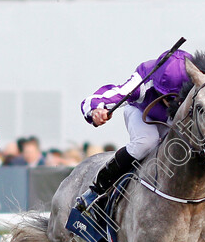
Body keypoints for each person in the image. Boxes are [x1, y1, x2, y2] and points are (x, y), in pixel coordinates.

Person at [75, 49, 194, 210]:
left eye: (179, 98)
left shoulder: (198, 84)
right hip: (140, 112)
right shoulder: (144, 80)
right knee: (146, 142)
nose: (173, 103)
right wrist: (96, 110)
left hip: (171, 121)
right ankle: (97, 190)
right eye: (168, 97)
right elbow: (103, 97)